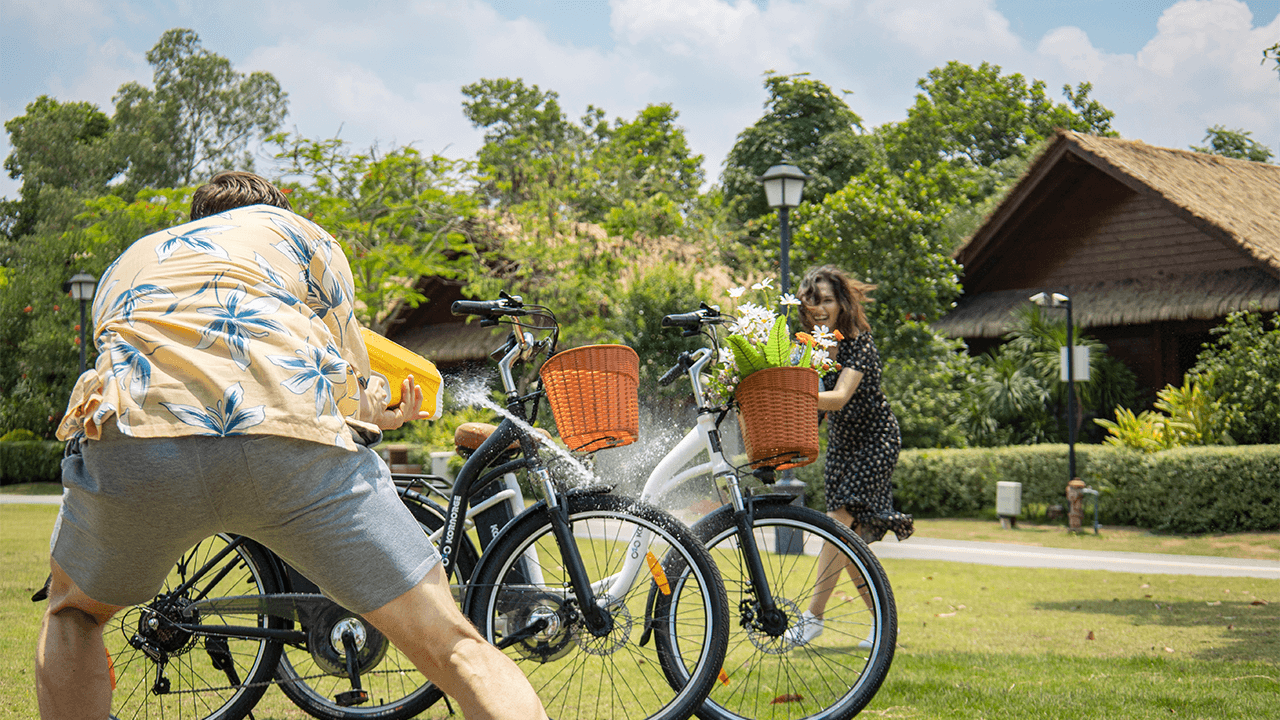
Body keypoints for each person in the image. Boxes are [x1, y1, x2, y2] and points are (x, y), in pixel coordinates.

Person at [35, 171, 547, 720]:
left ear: (195, 221)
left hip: (139, 435)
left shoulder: (136, 257)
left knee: (75, 617)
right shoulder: (302, 235)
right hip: (287, 436)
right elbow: (347, 382)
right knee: (455, 647)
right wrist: (381, 408)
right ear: (278, 209)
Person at [787, 264, 913, 647]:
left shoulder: (859, 343)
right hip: (842, 446)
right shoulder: (811, 346)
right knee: (850, 538)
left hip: (876, 441)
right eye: (813, 302)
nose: (820, 309)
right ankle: (883, 626)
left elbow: (838, 398)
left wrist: (789, 392)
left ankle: (813, 616)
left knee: (838, 523)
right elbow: (819, 413)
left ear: (841, 303)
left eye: (827, 300)